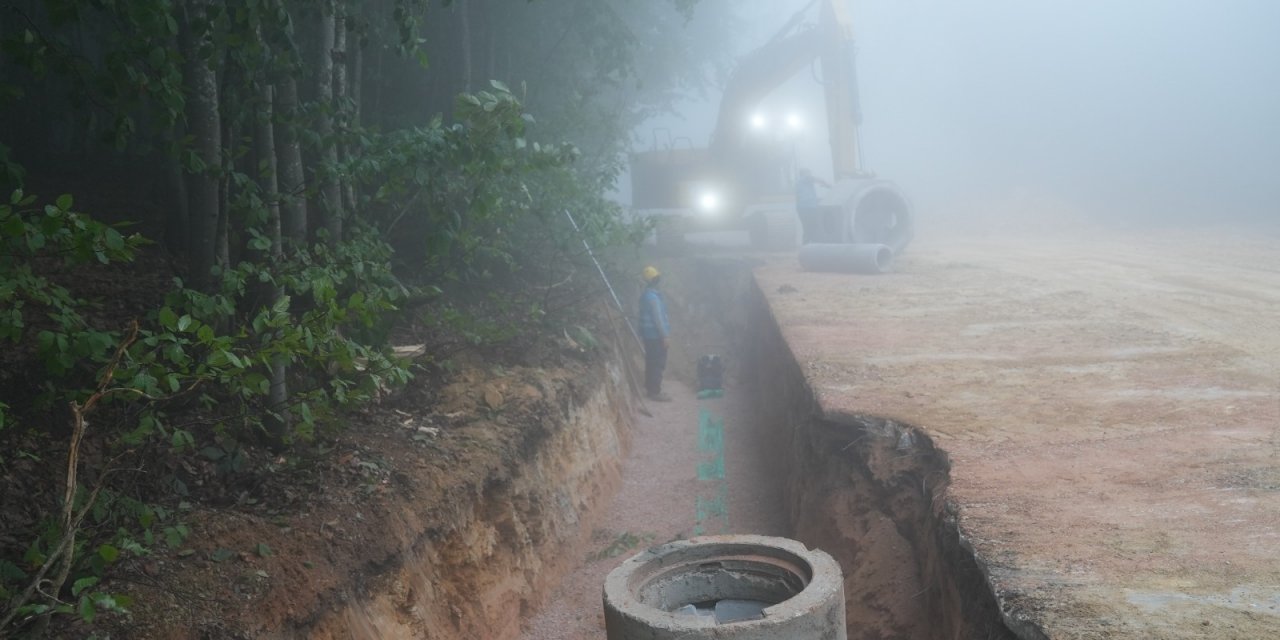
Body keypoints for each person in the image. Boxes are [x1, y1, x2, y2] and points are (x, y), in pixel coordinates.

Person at [638, 265, 671, 402]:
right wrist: (665, 336)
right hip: (656, 336)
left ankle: (650, 388)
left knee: (651, 362)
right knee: (657, 363)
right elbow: (658, 318)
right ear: (655, 280)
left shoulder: (645, 296)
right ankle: (655, 392)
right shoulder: (653, 298)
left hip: (648, 336)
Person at [794, 168, 831, 244]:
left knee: (811, 227)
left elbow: (810, 197)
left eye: (810, 173)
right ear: (803, 174)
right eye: (808, 173)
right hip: (806, 208)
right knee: (809, 227)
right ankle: (807, 245)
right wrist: (825, 183)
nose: (810, 175)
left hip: (807, 207)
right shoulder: (802, 180)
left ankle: (810, 245)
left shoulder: (807, 185)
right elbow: (811, 178)